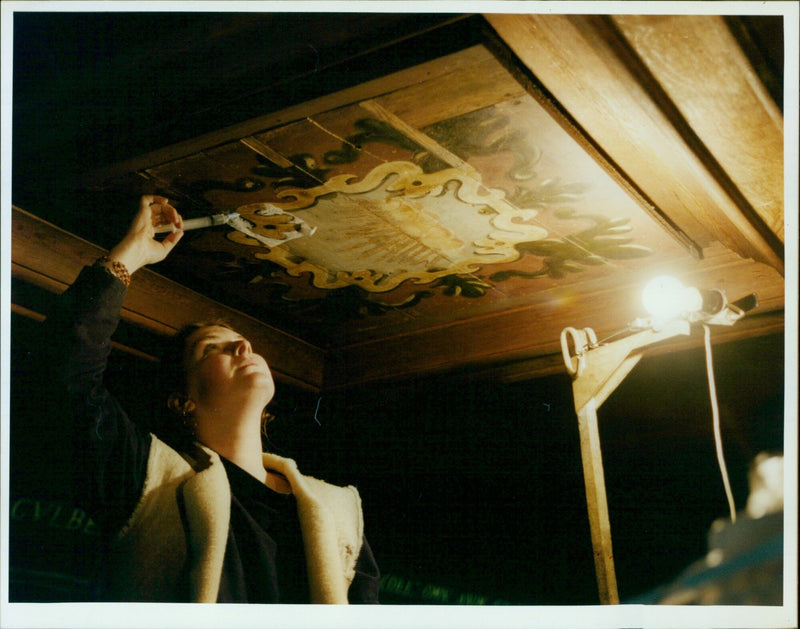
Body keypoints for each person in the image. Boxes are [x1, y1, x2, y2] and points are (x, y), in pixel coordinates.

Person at [40, 195, 380, 603]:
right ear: (182, 399)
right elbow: (66, 374)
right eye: (212, 349)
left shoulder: (339, 510)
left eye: (242, 342)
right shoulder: (150, 479)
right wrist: (129, 256)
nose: (243, 348)